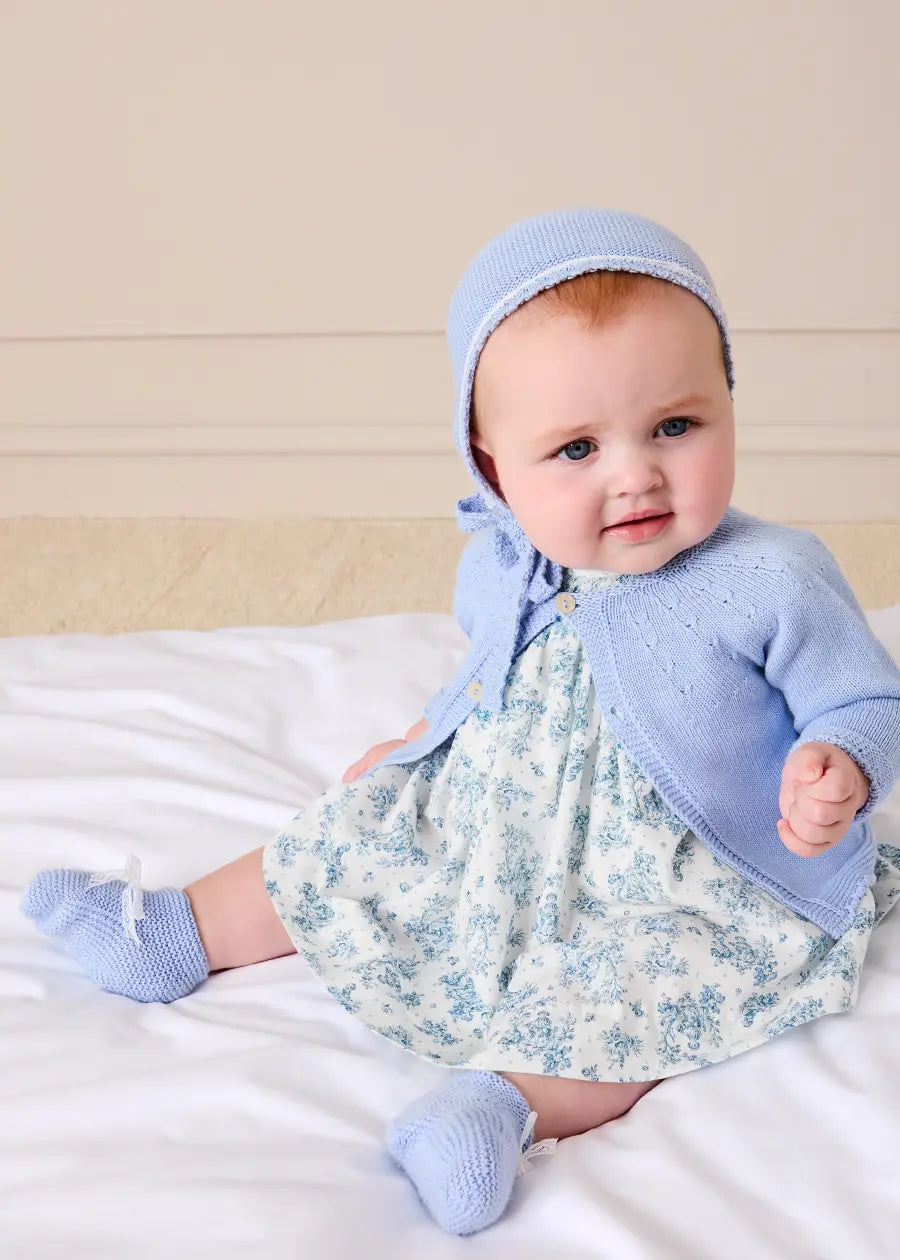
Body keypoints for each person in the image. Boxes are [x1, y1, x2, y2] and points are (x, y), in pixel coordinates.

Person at [21, 208, 900, 1237]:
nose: (634, 474)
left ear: (728, 404)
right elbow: (493, 675)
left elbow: (865, 700)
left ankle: (500, 1105)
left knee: (642, 984)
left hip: (682, 861)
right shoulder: (502, 562)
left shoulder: (773, 577)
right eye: (576, 447)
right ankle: (180, 930)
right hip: (501, 811)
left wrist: (840, 761)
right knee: (359, 832)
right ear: (492, 466)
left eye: (676, 426)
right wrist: (426, 737)